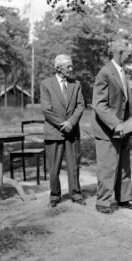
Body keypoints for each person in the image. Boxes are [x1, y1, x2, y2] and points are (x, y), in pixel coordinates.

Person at [91, 36, 132, 214]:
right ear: (120, 52)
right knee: (108, 167)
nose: (130, 57)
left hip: (125, 128)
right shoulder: (105, 72)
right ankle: (103, 202)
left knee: (124, 166)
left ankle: (124, 199)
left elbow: (127, 98)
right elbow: (98, 104)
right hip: (108, 130)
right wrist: (116, 124)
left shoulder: (123, 72)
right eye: (129, 53)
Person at [40, 54, 86, 207]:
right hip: (54, 131)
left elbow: (81, 105)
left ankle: (76, 194)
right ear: (58, 68)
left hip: (72, 131)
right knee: (54, 168)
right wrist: (63, 124)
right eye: (69, 66)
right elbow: (47, 109)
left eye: (72, 66)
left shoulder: (76, 84)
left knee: (74, 166)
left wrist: (71, 122)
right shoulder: (46, 84)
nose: (72, 69)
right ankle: (54, 196)